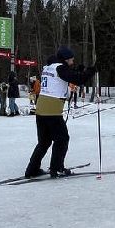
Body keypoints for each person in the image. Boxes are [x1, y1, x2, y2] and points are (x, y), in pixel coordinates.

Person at [24, 46, 96, 178]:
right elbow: (78, 79)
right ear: (65, 59)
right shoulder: (60, 68)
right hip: (52, 110)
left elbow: (63, 76)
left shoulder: (48, 66)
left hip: (41, 108)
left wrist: (76, 71)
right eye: (71, 60)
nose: (72, 62)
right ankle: (56, 168)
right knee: (62, 139)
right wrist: (91, 71)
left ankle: (32, 169)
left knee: (44, 142)